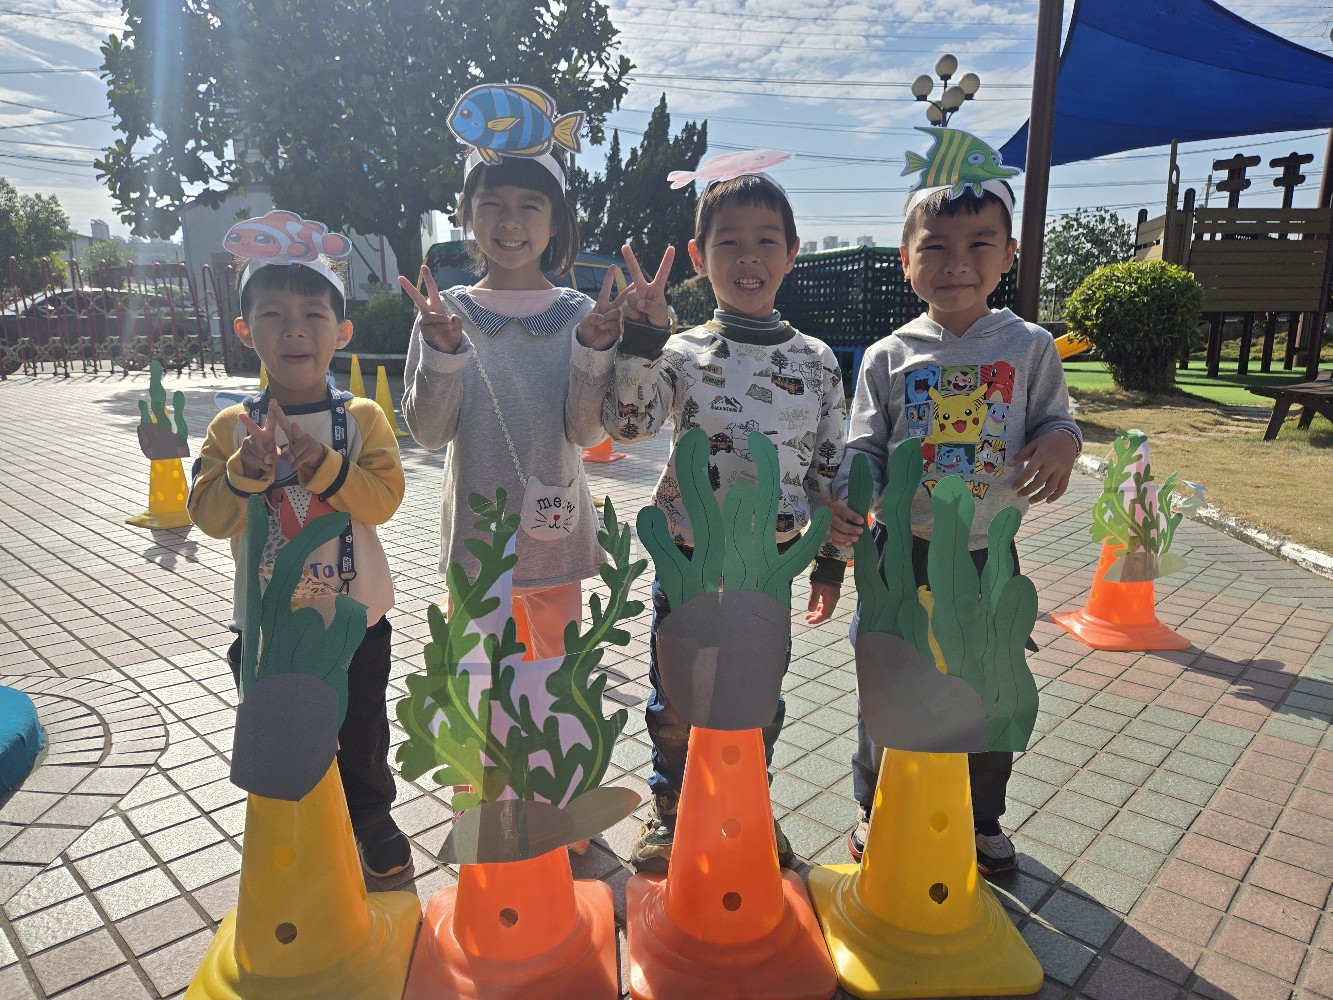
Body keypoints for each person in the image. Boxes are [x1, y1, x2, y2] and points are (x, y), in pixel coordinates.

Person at [829, 142, 1082, 876]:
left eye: (978, 245)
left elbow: (1057, 420)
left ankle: (979, 817)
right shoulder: (887, 354)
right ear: (906, 260)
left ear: (1007, 256)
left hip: (986, 551)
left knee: (987, 686)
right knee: (886, 675)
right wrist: (852, 493)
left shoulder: (1030, 346)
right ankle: (874, 805)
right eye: (934, 247)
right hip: (896, 550)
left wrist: (1060, 443)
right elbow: (865, 444)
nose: (956, 263)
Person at [607, 164, 851, 873]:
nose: (749, 257)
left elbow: (828, 471)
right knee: (674, 697)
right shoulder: (681, 353)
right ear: (698, 256)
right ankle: (670, 807)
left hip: (770, 567)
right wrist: (641, 340)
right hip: (686, 557)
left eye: (766, 240)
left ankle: (748, 803)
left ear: (792, 253)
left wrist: (830, 563)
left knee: (757, 697)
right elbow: (627, 424)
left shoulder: (816, 361)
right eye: (729, 242)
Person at [189, 213, 410, 879]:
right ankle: (294, 822)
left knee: (362, 727)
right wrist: (242, 473)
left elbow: (385, 500)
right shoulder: (231, 427)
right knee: (280, 729)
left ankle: (370, 815)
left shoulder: (362, 419)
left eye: (314, 315)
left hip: (355, 619)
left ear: (342, 331)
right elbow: (208, 516)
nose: (295, 330)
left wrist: (325, 466)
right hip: (265, 626)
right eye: (274, 315)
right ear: (244, 330)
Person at [399, 93, 624, 664]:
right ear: (466, 211)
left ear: (555, 219)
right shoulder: (444, 314)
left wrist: (595, 352)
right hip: (477, 553)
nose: (510, 221)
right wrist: (442, 353)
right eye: (492, 203)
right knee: (481, 704)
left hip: (555, 547)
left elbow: (588, 434)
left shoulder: (580, 315)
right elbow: (428, 433)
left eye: (530, 205)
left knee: (554, 701)